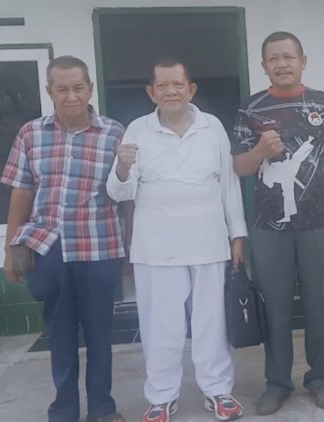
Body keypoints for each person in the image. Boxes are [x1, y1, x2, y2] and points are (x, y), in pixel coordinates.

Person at [106, 59, 247, 422]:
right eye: (162, 86)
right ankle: (161, 397)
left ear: (191, 89)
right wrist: (122, 166)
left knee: (211, 323)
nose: (171, 91)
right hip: (156, 247)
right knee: (160, 326)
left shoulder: (212, 126)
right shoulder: (137, 129)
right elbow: (120, 193)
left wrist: (237, 233)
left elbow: (228, 184)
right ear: (151, 92)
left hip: (208, 241)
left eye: (178, 84)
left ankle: (217, 390)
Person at [231, 31, 324, 415]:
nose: (282, 64)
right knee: (275, 309)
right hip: (268, 227)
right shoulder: (251, 108)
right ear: (263, 65)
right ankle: (278, 383)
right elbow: (239, 166)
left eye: (288, 56)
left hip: (317, 223)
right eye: (274, 58)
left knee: (320, 305)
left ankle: (320, 378)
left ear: (303, 61)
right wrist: (259, 150)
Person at [0, 55, 126, 422]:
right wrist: (10, 249)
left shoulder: (115, 134)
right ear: (49, 91)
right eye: (62, 89)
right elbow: (21, 193)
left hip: (99, 245)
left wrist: (130, 247)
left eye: (78, 88)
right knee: (60, 334)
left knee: (100, 333)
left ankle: (102, 408)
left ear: (90, 88)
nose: (71, 96)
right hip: (48, 247)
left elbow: (128, 194)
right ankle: (64, 410)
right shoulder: (30, 134)